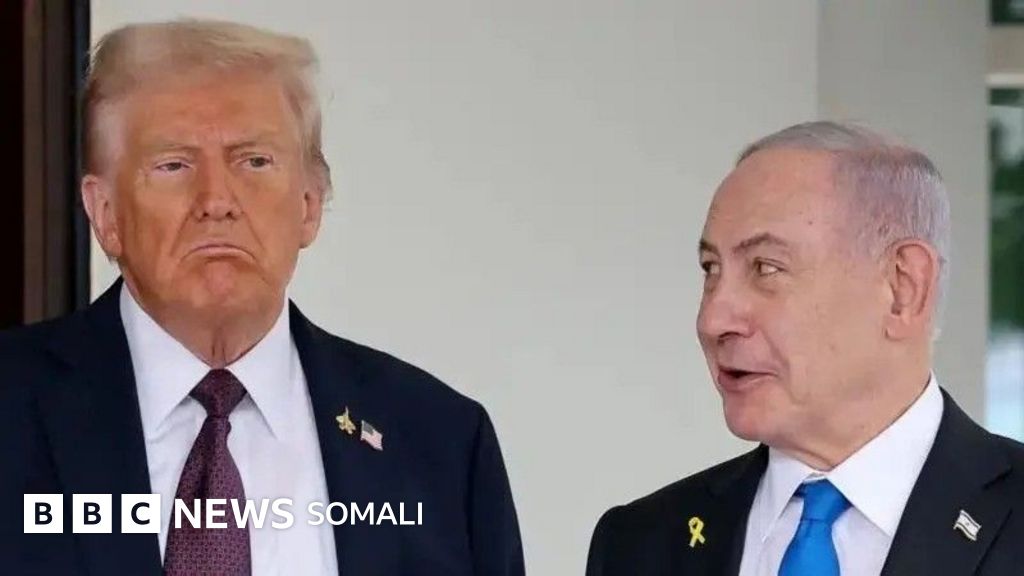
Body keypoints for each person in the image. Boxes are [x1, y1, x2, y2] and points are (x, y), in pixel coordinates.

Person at [0, 19, 523, 576]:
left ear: (310, 204)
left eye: (254, 161)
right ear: (105, 214)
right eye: (174, 165)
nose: (216, 200)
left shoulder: (440, 442)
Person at [586, 121, 1024, 575]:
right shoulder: (640, 544)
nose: (713, 320)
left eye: (765, 268)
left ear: (903, 288)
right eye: (710, 269)